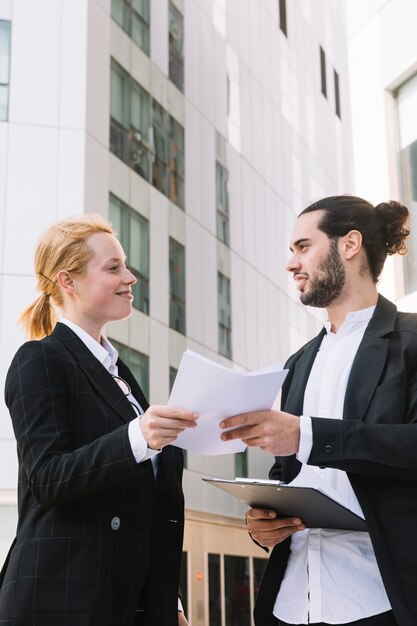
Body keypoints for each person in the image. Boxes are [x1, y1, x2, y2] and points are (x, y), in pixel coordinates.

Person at [220, 195, 417, 626]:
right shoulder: (298, 363)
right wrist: (263, 522)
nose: (291, 263)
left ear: (349, 245)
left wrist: (306, 435)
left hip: (382, 599)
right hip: (291, 602)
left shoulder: (412, 341)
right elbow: (286, 474)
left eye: (303, 247)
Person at [0, 214, 197, 626]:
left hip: (126, 598)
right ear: (68, 281)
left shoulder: (121, 377)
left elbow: (143, 503)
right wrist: (138, 437)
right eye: (113, 268)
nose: (130, 277)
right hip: (63, 598)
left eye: (125, 265)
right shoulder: (39, 360)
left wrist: (167, 599)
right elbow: (48, 479)